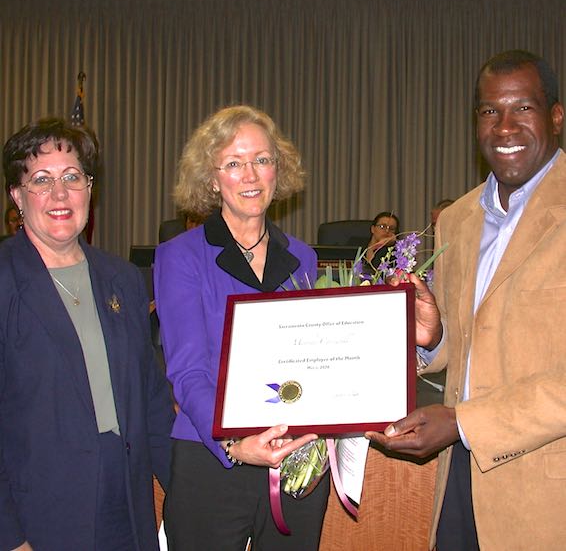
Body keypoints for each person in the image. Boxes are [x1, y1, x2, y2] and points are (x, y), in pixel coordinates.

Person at [366, 50, 565, 550]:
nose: (504, 127)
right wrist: (432, 340)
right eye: (489, 111)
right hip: (460, 484)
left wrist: (463, 423)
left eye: (523, 108)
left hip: (547, 494)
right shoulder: (456, 219)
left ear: (556, 115)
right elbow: (471, 341)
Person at [154, 105, 329, 550]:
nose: (250, 175)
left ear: (278, 170)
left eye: (262, 160)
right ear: (212, 179)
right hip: (213, 460)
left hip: (293, 459)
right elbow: (188, 373)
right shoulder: (181, 256)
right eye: (233, 163)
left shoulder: (304, 258)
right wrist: (234, 442)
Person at [0, 117, 175, 551]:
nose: (60, 194)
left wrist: (190, 497)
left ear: (89, 189)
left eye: (72, 177)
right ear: (17, 197)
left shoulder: (123, 279)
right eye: (41, 179)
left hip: (127, 505)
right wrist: (9, 536)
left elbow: (150, 398)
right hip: (39, 515)